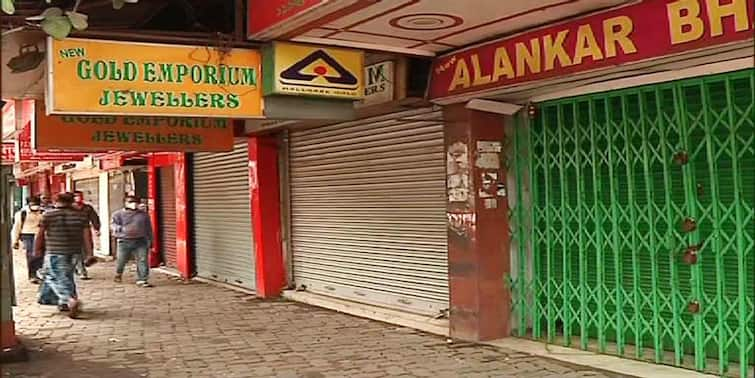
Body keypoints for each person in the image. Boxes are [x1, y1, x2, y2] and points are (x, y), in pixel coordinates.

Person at [34, 192, 92, 318]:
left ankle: (69, 299)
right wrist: (89, 253)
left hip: (55, 251)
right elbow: (87, 236)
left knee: (51, 275)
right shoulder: (80, 215)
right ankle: (61, 303)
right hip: (75, 252)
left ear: (56, 201)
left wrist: (37, 249)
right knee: (66, 276)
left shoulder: (48, 215)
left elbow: (40, 234)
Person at [112, 195, 153, 287]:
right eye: (131, 202)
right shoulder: (118, 214)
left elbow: (148, 228)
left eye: (136, 202)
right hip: (124, 241)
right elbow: (114, 225)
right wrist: (121, 229)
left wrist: (150, 240)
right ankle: (119, 273)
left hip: (140, 240)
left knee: (142, 260)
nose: (134, 204)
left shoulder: (143, 215)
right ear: (125, 203)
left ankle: (142, 279)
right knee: (121, 260)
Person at [11, 196, 45, 283]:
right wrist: (15, 241)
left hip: (40, 235)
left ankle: (39, 272)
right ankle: (32, 275)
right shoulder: (22, 213)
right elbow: (16, 227)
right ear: (29, 204)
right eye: (33, 204)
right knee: (31, 255)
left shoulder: (43, 212)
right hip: (27, 235)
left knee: (40, 255)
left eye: (37, 204)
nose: (35, 206)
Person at [72, 191, 101, 280]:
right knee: (76, 251)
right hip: (72, 231)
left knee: (87, 249)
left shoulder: (87, 208)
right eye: (76, 196)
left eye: (80, 196)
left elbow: (94, 218)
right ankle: (81, 271)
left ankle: (79, 266)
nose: (78, 198)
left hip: (85, 230)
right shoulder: (69, 208)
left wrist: (96, 228)